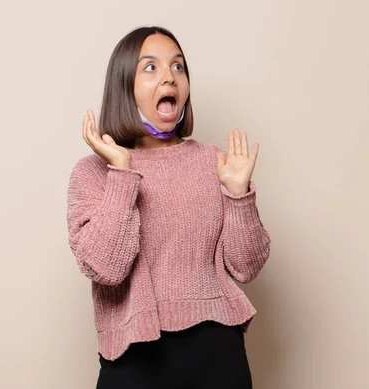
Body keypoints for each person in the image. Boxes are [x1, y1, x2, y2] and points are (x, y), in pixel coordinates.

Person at [66, 26, 271, 389]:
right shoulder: (93, 172)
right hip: (134, 362)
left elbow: (247, 266)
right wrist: (122, 173)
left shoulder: (214, 161)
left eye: (178, 67)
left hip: (218, 356)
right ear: (123, 84)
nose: (169, 78)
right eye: (151, 68)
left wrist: (238, 195)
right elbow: (106, 267)